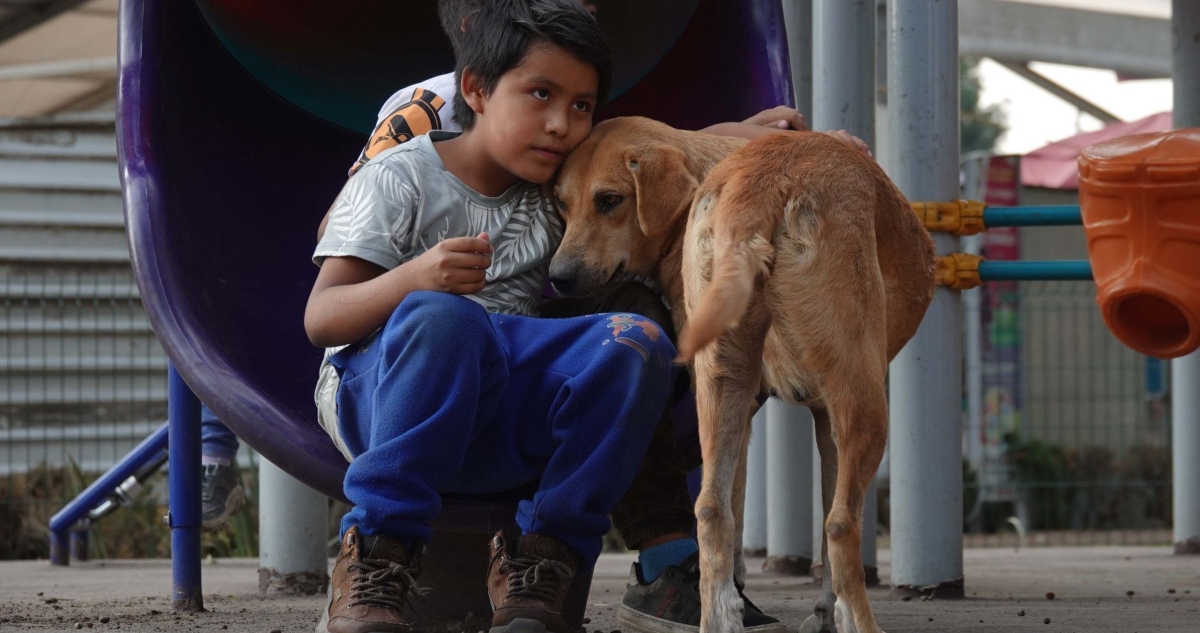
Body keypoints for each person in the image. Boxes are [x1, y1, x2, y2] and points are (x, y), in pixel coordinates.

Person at [306, 2, 678, 632]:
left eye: (582, 106)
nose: (561, 124)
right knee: (448, 320)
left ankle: (542, 562)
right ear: (475, 89)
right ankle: (376, 557)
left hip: (497, 412)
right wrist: (413, 278)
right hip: (387, 399)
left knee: (634, 339)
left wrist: (745, 133)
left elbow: (654, 151)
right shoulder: (403, 176)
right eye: (540, 94)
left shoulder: (559, 187)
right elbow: (321, 318)